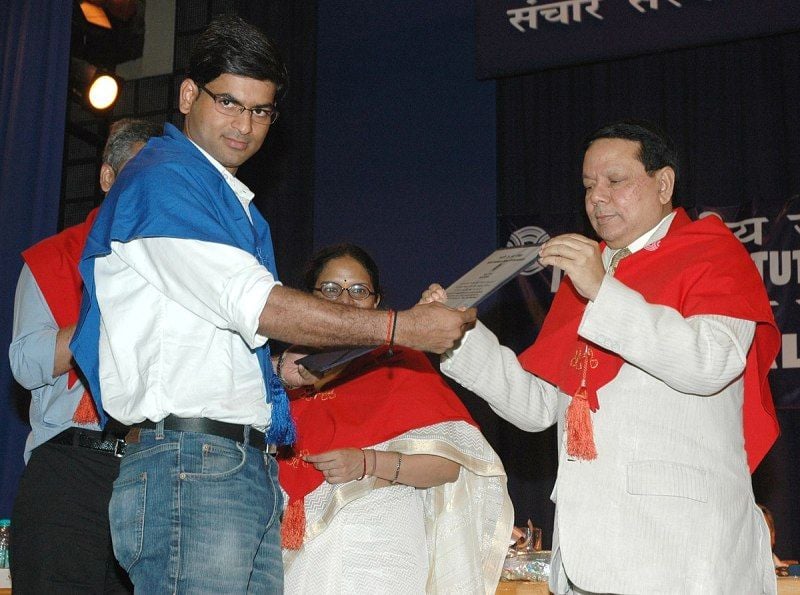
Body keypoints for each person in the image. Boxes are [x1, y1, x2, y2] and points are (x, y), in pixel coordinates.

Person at [69, 15, 475, 593]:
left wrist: (279, 372)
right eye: (229, 102)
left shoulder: (230, 203)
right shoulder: (164, 180)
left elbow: (216, 331)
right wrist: (402, 327)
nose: (245, 124)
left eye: (261, 111)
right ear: (188, 95)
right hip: (193, 462)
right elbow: (254, 304)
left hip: (233, 466)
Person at [424, 120, 781, 594]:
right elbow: (536, 407)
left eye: (615, 181)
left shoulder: (712, 253)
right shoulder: (588, 276)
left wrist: (602, 290)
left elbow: (711, 364)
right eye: (589, 185)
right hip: (585, 555)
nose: (596, 197)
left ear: (664, 184)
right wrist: (457, 335)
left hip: (682, 553)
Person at [278, 243, 513, 594]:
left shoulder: (397, 362)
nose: (344, 301)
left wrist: (367, 462)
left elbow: (448, 466)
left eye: (358, 291)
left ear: (376, 303)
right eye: (329, 289)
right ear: (308, 300)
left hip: (379, 547)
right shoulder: (285, 372)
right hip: (294, 554)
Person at [9, 118, 161, 594]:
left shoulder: (178, 266)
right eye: (137, 178)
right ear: (107, 179)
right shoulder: (54, 258)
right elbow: (27, 363)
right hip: (68, 471)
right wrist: (112, 310)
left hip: (152, 472)